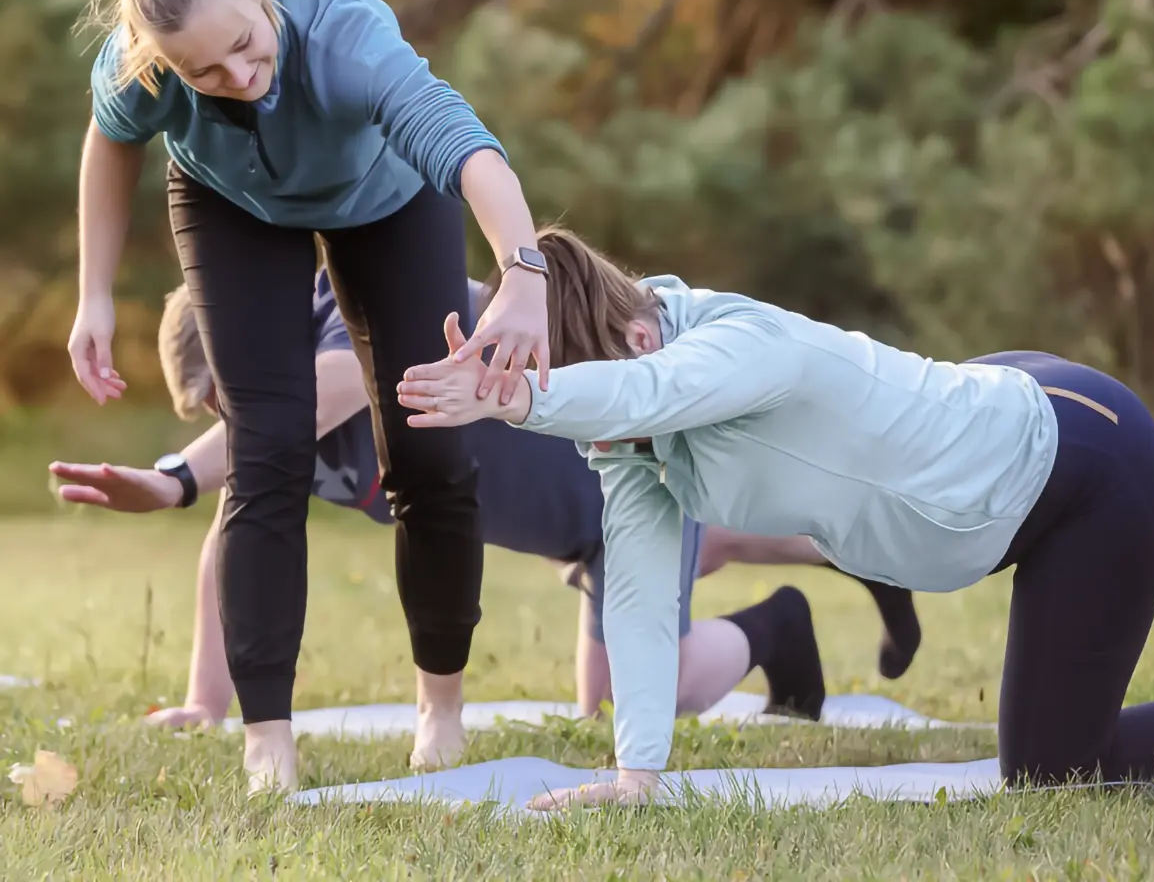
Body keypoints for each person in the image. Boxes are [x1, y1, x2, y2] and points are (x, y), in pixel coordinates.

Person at [397, 226, 1154, 810]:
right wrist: (635, 778)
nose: (595, 441)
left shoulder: (739, 344)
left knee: (1052, 775)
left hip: (1071, 468)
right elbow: (637, 598)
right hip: (1022, 417)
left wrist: (520, 400)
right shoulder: (634, 445)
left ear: (642, 337)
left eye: (586, 411)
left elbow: (647, 393)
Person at [66, 0, 553, 796]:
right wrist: (94, 296)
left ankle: (439, 711)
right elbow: (110, 142)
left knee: (430, 452)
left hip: (390, 200)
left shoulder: (342, 32)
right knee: (269, 448)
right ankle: (268, 744)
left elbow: (465, 146)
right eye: (207, 75)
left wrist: (524, 272)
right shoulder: (145, 64)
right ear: (164, 63)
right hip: (232, 207)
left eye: (248, 46)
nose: (242, 77)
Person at [51, 269, 924, 734]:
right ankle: (841, 552)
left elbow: (326, 392)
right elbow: (230, 543)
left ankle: (778, 627)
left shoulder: (343, 328)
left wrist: (172, 476)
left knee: (622, 709)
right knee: (699, 547)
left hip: (623, 487)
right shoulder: (274, 428)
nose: (225, 423)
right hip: (573, 519)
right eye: (208, 415)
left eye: (227, 403)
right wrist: (208, 700)